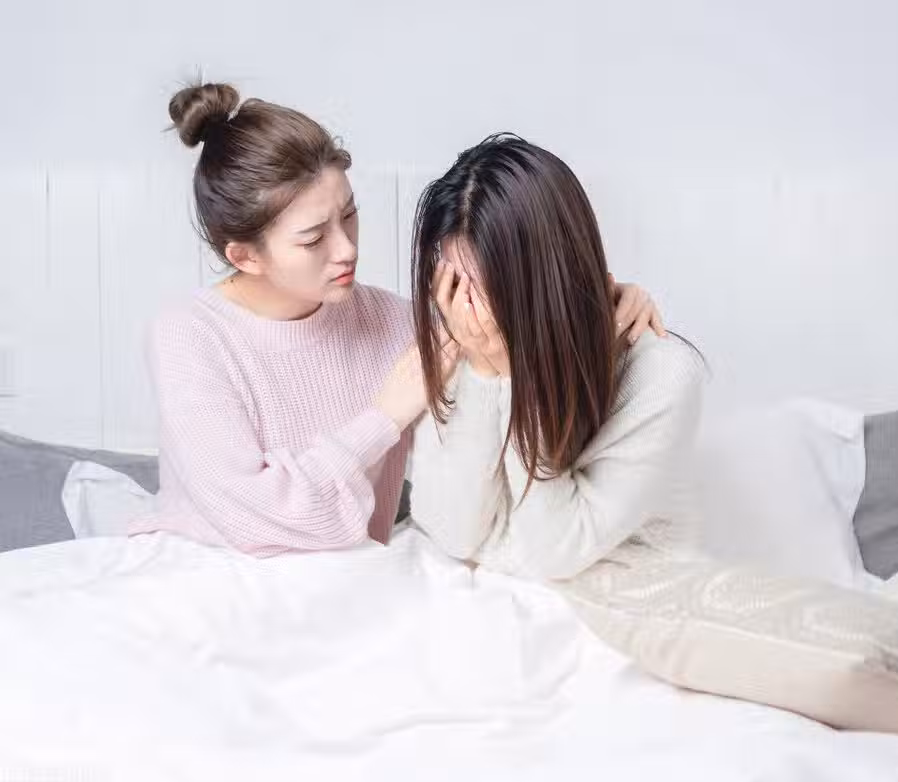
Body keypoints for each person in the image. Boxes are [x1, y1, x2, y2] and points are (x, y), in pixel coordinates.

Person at [129, 84, 663, 556]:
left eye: (349, 215)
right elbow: (257, 520)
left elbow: (508, 354)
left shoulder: (400, 325)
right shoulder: (189, 335)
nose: (346, 249)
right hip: (208, 577)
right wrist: (383, 419)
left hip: (345, 584)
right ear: (245, 256)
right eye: (313, 239)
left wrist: (601, 302)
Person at [408, 134, 706, 581]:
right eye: (456, 283)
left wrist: (516, 379)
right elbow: (453, 534)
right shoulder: (463, 341)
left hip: (634, 596)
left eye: (488, 285)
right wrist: (485, 372)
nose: (468, 309)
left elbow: (550, 553)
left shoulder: (663, 376)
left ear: (550, 278)